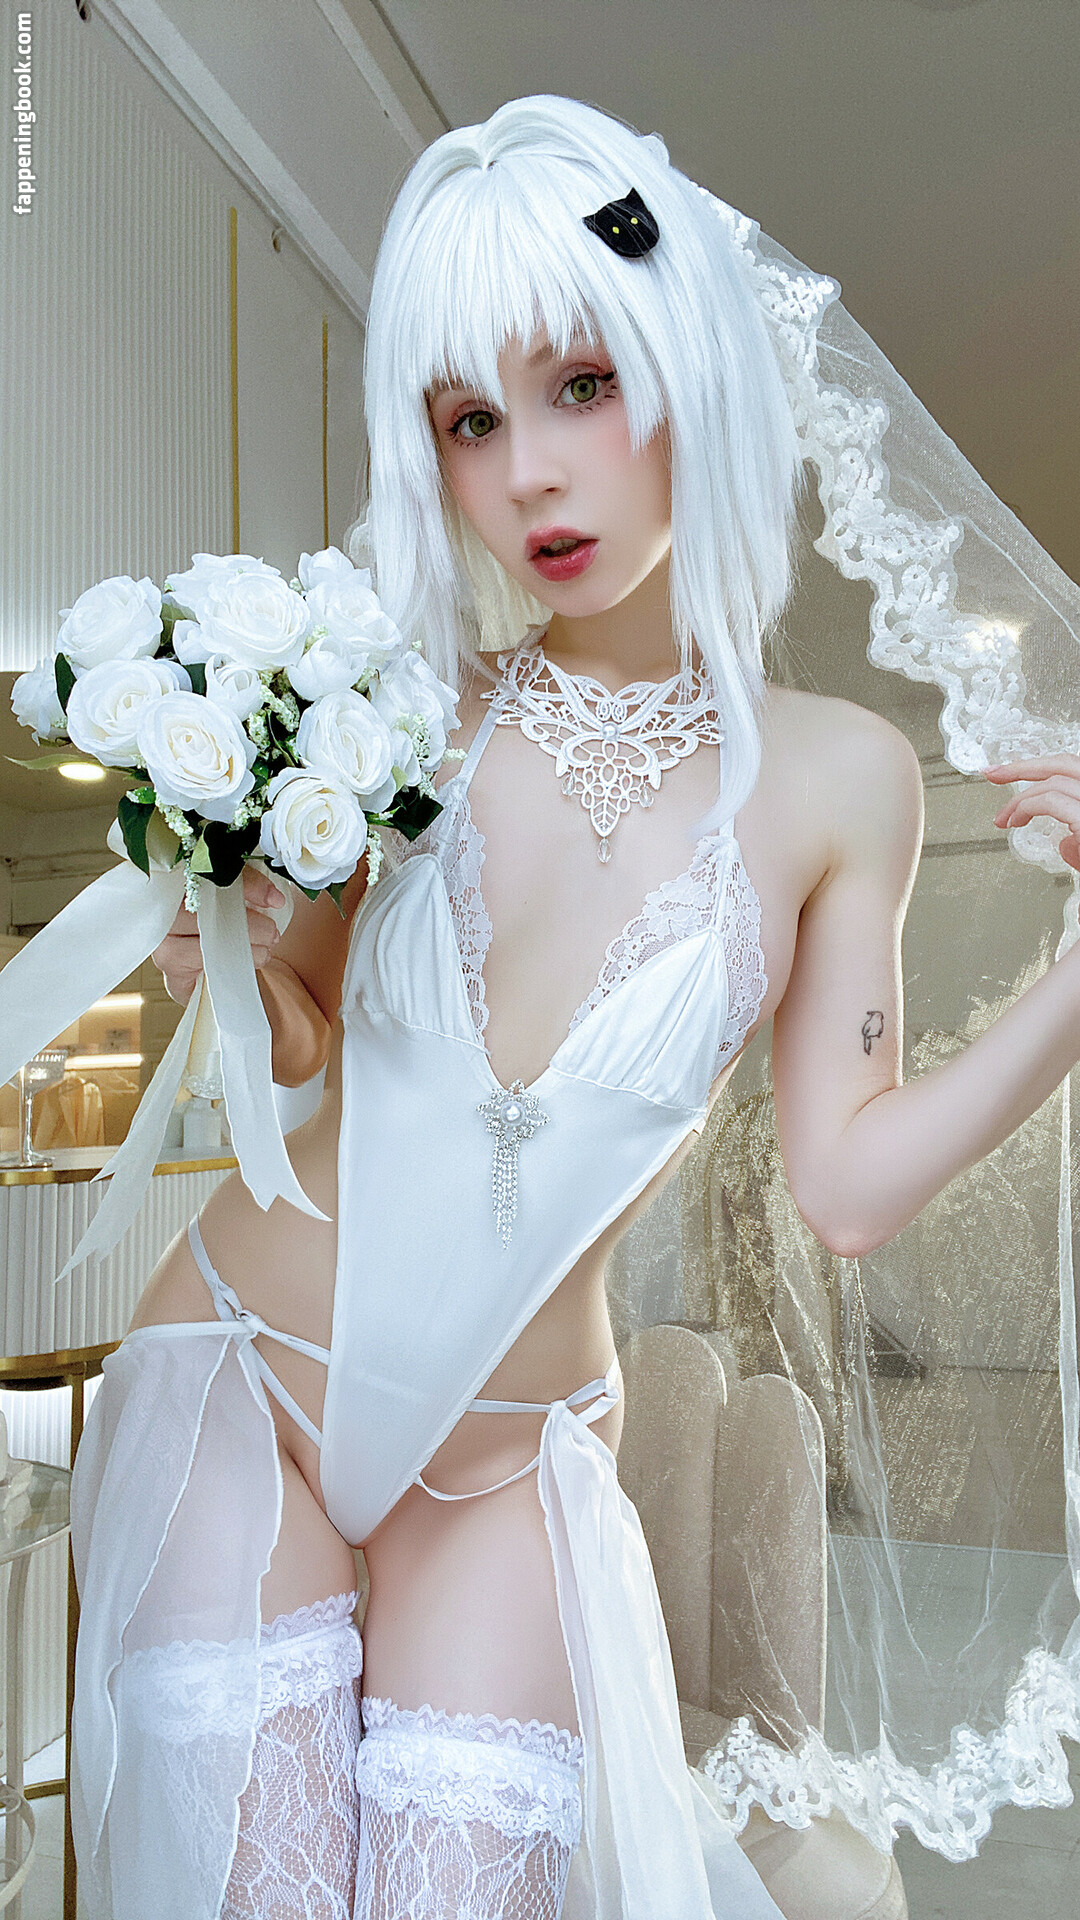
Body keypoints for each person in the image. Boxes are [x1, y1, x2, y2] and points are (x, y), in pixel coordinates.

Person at [68, 94, 1080, 1920]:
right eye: (471, 420)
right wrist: (228, 960)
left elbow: (848, 1190)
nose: (530, 472)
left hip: (509, 1464)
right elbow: (302, 1039)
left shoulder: (843, 781)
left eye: (582, 389)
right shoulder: (400, 702)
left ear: (692, 371)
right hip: (242, 1378)